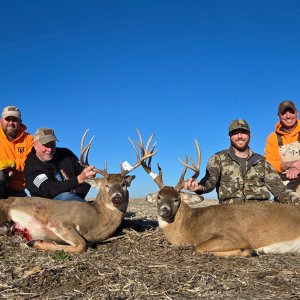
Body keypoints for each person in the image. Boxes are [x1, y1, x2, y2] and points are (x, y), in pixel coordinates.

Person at [184, 119, 299, 205]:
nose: (239, 136)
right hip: (230, 215)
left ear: (250, 135)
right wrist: (198, 187)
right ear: (229, 137)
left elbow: (280, 191)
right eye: (235, 133)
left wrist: (296, 201)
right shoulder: (217, 159)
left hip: (260, 214)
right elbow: (209, 183)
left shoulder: (261, 162)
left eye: (243, 132)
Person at [24, 127, 96, 201]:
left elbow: (86, 176)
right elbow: (47, 189)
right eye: (46, 145)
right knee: (66, 197)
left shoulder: (66, 154)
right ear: (35, 145)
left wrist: (78, 194)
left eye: (52, 144)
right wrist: (78, 180)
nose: (50, 149)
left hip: (75, 200)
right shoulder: (31, 167)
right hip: (46, 206)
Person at [265, 100, 300, 192]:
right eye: (284, 113)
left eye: (291, 112)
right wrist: (290, 165)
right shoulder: (272, 138)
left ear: (297, 113)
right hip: (287, 188)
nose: (288, 116)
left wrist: (298, 166)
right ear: (279, 116)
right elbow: (270, 163)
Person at [0, 105, 33, 198]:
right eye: (8, 119)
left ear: (20, 122)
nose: (11, 123)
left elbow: (31, 164)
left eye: (14, 120)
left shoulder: (29, 139)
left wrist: (12, 163)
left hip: (19, 190)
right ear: (1, 120)